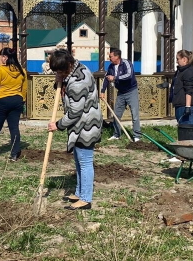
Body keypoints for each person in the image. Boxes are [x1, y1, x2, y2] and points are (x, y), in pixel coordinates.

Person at [48, 49, 102, 211]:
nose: (59, 74)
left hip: (86, 125)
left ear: (69, 65)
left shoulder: (78, 81)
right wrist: (60, 80)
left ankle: (85, 199)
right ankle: (79, 192)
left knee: (85, 162)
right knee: (79, 160)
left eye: (61, 71)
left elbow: (74, 112)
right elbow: (67, 91)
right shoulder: (77, 69)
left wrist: (57, 125)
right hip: (81, 124)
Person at [100, 48, 140, 141]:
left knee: (135, 114)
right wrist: (102, 91)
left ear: (117, 56)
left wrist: (115, 77)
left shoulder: (126, 63)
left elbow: (129, 75)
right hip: (121, 93)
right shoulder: (111, 66)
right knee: (116, 114)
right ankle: (116, 134)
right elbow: (106, 78)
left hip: (131, 91)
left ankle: (137, 136)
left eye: (111, 56)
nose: (109, 58)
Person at [170, 50, 193, 126]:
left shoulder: (189, 71)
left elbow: (189, 90)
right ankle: (184, 138)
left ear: (184, 59)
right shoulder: (181, 71)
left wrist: (188, 106)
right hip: (180, 103)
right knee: (182, 127)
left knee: (188, 127)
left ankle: (190, 138)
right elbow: (180, 85)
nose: (176, 61)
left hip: (185, 104)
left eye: (178, 59)